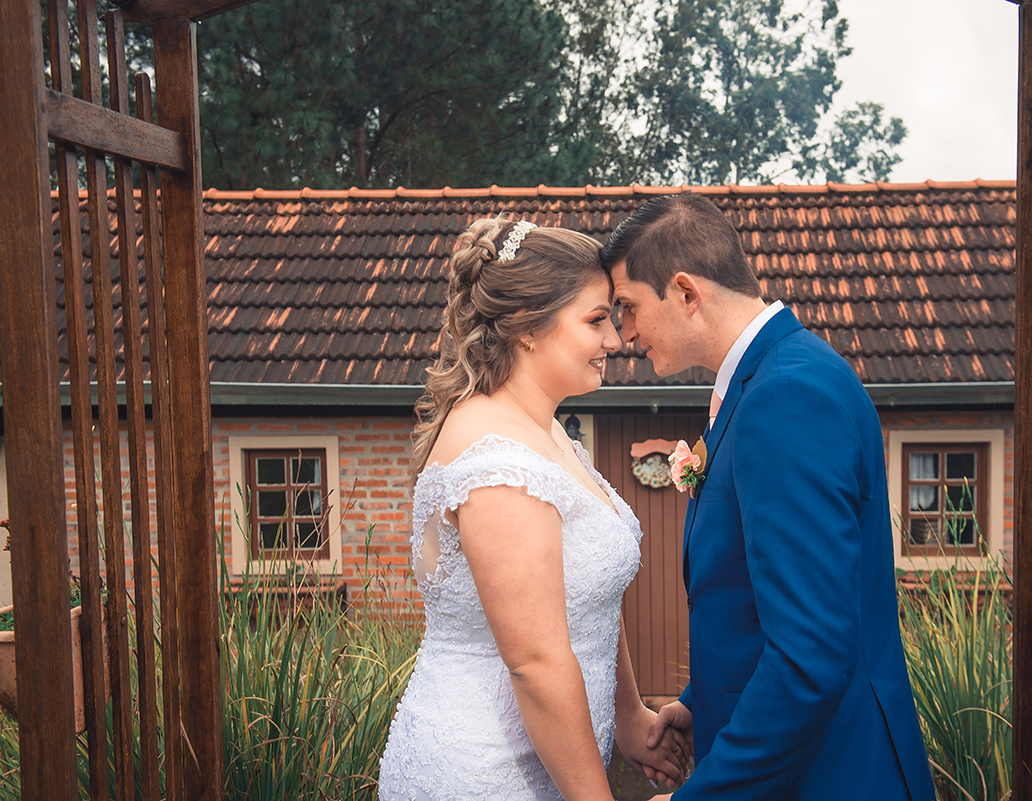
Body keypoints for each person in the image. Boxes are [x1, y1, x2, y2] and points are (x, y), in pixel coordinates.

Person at [600, 193, 936, 801]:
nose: (623, 334)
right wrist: (700, 703)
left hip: (832, 775)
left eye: (627, 307)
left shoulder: (786, 396)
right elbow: (751, 602)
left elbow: (810, 655)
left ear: (685, 292)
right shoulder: (770, 379)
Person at [377, 218, 690, 801]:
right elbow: (537, 663)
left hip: (552, 766)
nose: (616, 340)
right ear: (526, 327)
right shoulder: (497, 460)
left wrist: (631, 716)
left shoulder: (544, 430)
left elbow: (586, 593)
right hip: (485, 773)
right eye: (596, 320)